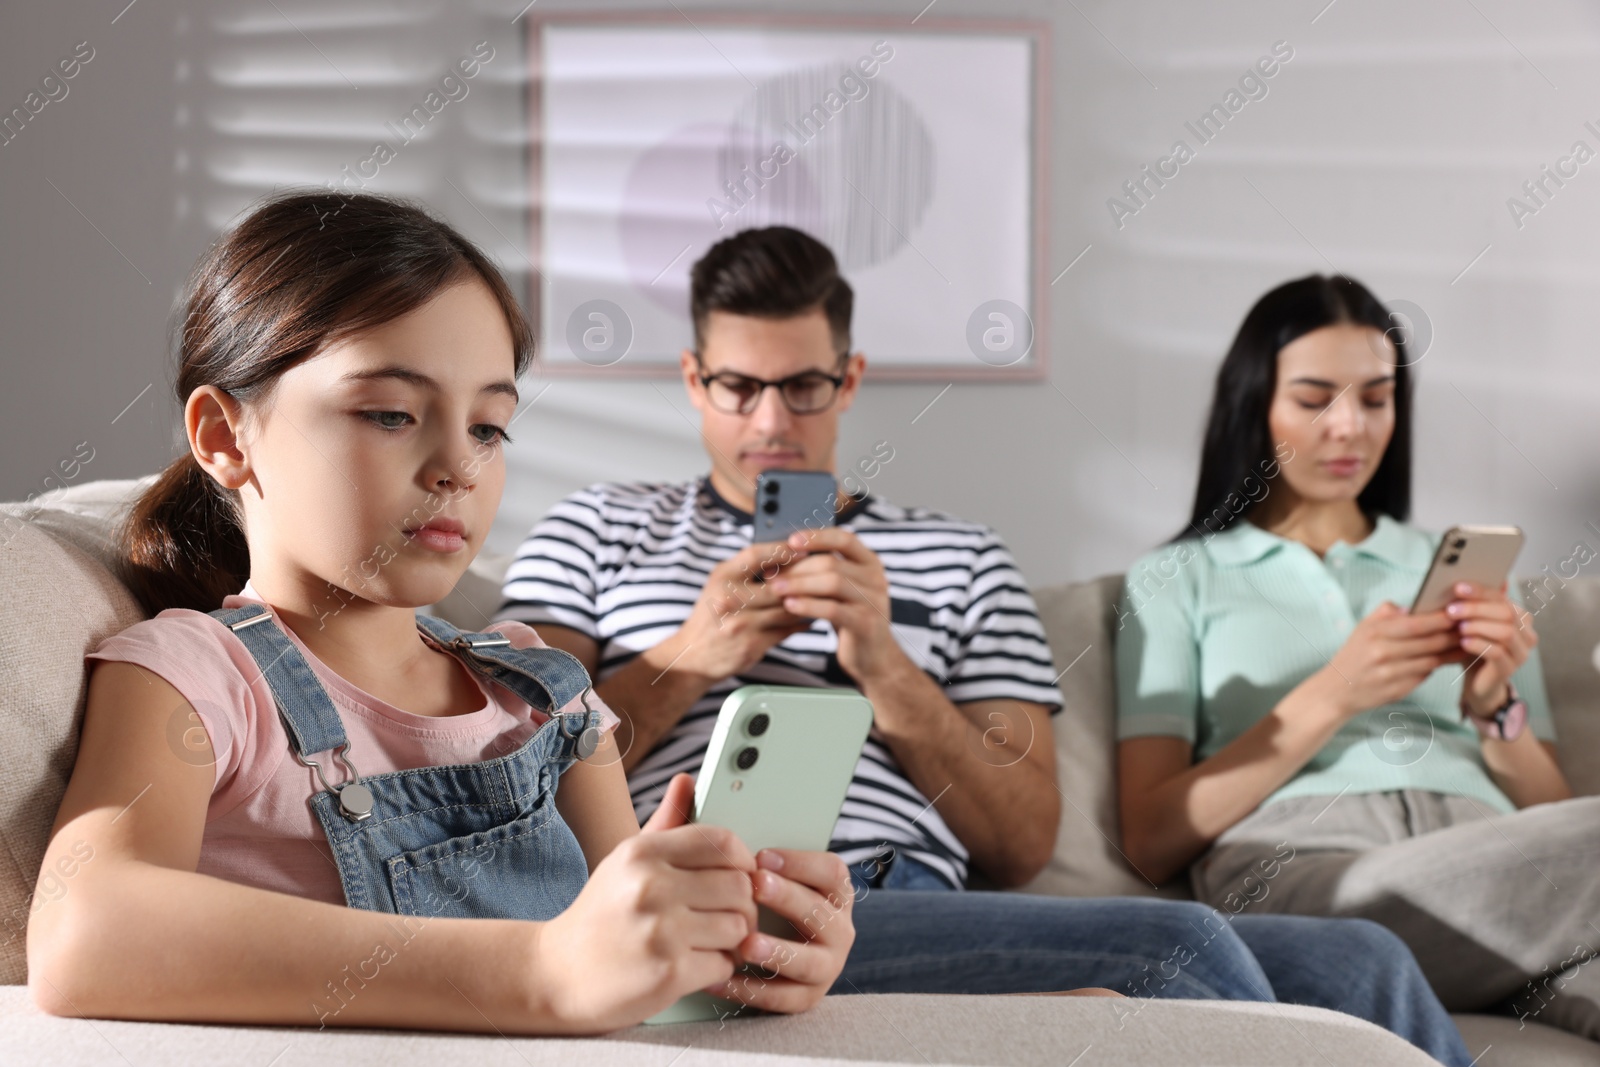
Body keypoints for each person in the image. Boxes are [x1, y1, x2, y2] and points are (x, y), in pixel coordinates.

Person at [496, 228, 1473, 1063]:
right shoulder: (596, 528)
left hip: (901, 895)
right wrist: (691, 653)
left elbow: (1020, 842)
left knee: (1363, 958)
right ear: (692, 379)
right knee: (1176, 945)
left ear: (849, 379)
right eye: (738, 386)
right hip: (681, 885)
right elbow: (514, 771)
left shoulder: (961, 557)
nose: (770, 423)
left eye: (801, 386)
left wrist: (883, 665)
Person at [26, 191, 857, 1034]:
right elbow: (82, 931)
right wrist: (541, 972)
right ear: (225, 436)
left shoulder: (544, 692)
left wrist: (730, 958)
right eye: (390, 413)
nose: (459, 463)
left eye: (490, 427)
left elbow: (640, 986)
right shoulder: (197, 675)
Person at [1115, 272, 1600, 1040]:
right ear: (1255, 403)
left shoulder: (1452, 565)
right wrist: (1334, 694)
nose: (1350, 427)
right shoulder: (1178, 578)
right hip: (1312, 862)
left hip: (1499, 857)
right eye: (1314, 400)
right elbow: (1150, 838)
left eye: (1376, 399)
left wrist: (1493, 710)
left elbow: (1552, 815)